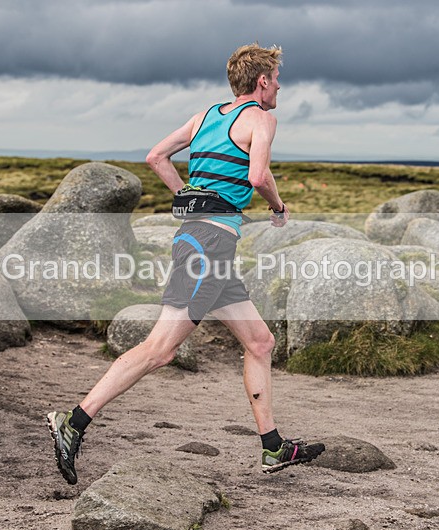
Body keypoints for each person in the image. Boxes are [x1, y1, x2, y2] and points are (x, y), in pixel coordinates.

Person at [47, 43, 324, 485]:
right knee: (161, 349)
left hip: (202, 242)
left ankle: (273, 447)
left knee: (260, 342)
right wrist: (277, 207)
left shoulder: (205, 117)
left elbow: (156, 156)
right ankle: (73, 421)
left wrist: (187, 198)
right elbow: (257, 176)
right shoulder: (262, 119)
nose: (279, 87)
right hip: (209, 245)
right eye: (277, 78)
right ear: (263, 81)